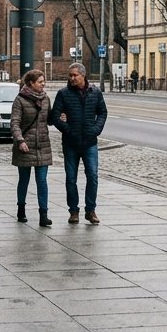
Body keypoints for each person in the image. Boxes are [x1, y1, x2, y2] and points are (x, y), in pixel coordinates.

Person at [49, 62, 108, 224]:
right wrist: (67, 129)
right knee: (71, 178)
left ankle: (91, 210)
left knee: (93, 176)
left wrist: (96, 129)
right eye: (70, 75)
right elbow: (55, 116)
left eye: (75, 75)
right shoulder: (63, 93)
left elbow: (102, 112)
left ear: (83, 76)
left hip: (90, 142)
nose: (72, 78)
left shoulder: (95, 92)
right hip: (70, 142)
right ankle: (73, 211)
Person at [12, 69, 53, 227]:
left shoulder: (45, 99)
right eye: (40, 82)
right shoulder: (20, 100)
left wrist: (60, 117)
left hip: (42, 145)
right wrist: (20, 140)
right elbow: (15, 123)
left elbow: (49, 120)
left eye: (43, 81)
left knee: (42, 181)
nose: (43, 84)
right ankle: (21, 209)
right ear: (31, 83)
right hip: (25, 146)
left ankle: (44, 215)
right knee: (24, 180)